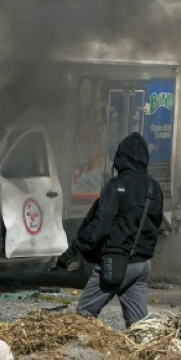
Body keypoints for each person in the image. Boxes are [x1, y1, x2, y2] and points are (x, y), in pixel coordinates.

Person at [55, 131, 164, 327]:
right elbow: (155, 224)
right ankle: (144, 355)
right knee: (140, 327)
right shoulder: (154, 188)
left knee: (83, 317)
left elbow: (98, 226)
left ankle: (81, 356)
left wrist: (70, 254)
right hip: (142, 267)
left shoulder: (116, 186)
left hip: (116, 264)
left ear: (122, 158)